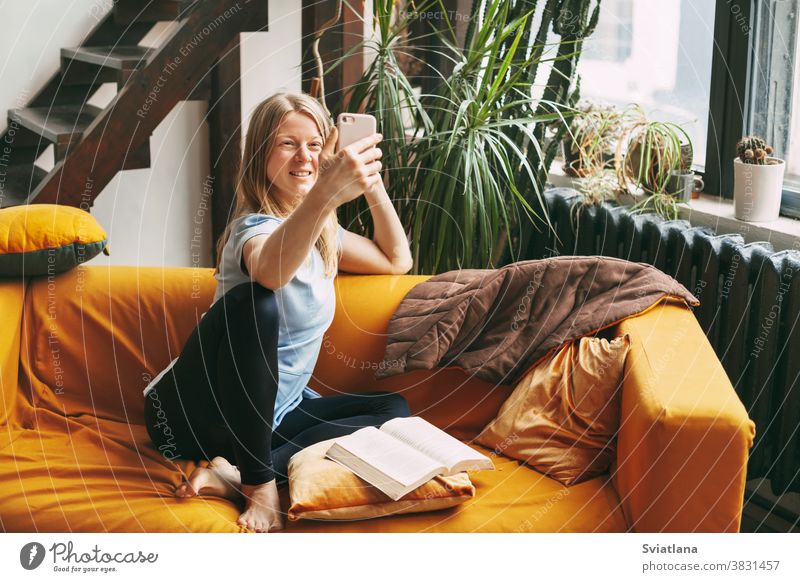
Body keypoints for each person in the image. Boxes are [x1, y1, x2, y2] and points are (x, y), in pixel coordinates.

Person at [142, 92, 414, 533]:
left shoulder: (325, 233)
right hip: (191, 412)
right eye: (288, 144)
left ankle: (233, 473)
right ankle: (259, 482)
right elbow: (270, 273)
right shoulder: (251, 228)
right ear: (261, 156)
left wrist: (370, 179)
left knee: (394, 408)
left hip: (267, 420)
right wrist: (326, 192)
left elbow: (396, 260)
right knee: (255, 302)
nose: (305, 156)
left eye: (314, 144)